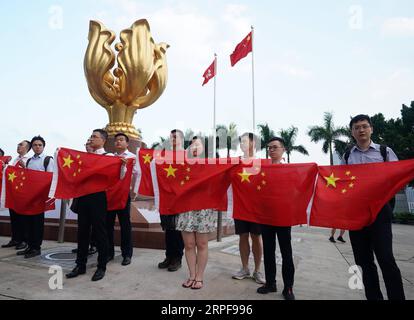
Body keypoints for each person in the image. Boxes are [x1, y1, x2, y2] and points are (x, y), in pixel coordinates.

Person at [342, 114, 405, 300]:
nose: (361, 130)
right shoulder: (347, 156)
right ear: (352, 132)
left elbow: (397, 177)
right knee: (363, 261)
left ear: (371, 129)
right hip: (356, 215)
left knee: (386, 258)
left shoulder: (384, 152)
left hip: (380, 212)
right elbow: (341, 185)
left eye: (364, 126)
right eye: (356, 127)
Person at [66, 129, 124, 281]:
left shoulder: (109, 157)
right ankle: (80, 265)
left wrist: (122, 166)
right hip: (83, 197)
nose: (91, 139)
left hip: (98, 198)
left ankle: (101, 266)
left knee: (100, 232)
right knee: (82, 231)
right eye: (90, 136)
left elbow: (119, 176)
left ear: (103, 140)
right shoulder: (84, 157)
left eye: (94, 136)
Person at [176, 136, 217, 290]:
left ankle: (199, 277)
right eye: (192, 144)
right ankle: (192, 275)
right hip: (186, 208)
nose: (194, 146)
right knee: (189, 244)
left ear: (203, 149)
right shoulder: (181, 165)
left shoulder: (210, 165)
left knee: (202, 244)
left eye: (198, 144)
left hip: (203, 209)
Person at [256, 137, 295, 300]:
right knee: (269, 251)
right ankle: (270, 283)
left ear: (283, 150)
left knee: (286, 253)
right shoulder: (262, 169)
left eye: (275, 147)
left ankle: (288, 287)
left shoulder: (289, 170)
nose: (271, 150)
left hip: (284, 217)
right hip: (266, 216)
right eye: (269, 148)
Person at [232, 132, 265, 285]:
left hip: (257, 208)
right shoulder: (235, 162)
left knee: (256, 237)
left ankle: (257, 270)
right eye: (241, 142)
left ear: (253, 143)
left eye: (245, 141)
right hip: (240, 206)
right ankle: (245, 268)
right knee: (243, 237)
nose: (242, 144)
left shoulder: (261, 162)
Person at [17, 136, 54, 259]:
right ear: (31, 147)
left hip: (40, 198)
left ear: (43, 147)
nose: (37, 147)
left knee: (37, 223)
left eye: (40, 145)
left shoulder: (48, 160)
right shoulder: (29, 161)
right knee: (28, 222)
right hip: (29, 197)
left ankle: (36, 248)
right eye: (35, 145)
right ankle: (29, 246)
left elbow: (50, 178)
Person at [157, 129, 185, 272]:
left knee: (177, 229)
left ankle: (177, 258)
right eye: (170, 137)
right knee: (168, 228)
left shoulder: (187, 156)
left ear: (181, 139)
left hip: (180, 198)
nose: (172, 140)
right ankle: (168, 256)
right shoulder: (164, 155)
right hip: (166, 197)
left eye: (175, 137)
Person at [106, 133, 135, 266]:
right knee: (108, 225)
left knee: (125, 225)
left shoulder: (132, 158)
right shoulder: (110, 157)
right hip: (110, 194)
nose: (118, 142)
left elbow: (137, 174)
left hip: (124, 194)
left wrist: (125, 166)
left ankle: (127, 254)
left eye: (121, 140)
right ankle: (109, 252)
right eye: (116, 140)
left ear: (127, 143)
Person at [1, 140, 31, 250]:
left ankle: (24, 240)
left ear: (27, 148)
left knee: (23, 218)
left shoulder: (29, 160)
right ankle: (15, 239)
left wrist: (25, 167)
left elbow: (31, 175)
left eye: (21, 145)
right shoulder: (15, 160)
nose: (18, 146)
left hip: (23, 194)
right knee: (14, 217)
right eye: (18, 144)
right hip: (13, 193)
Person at [71, 139, 97, 256]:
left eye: (90, 144)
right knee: (83, 225)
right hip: (82, 194)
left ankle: (94, 245)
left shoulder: (99, 158)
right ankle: (83, 247)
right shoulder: (80, 159)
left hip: (95, 195)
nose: (88, 146)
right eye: (86, 144)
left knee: (94, 224)